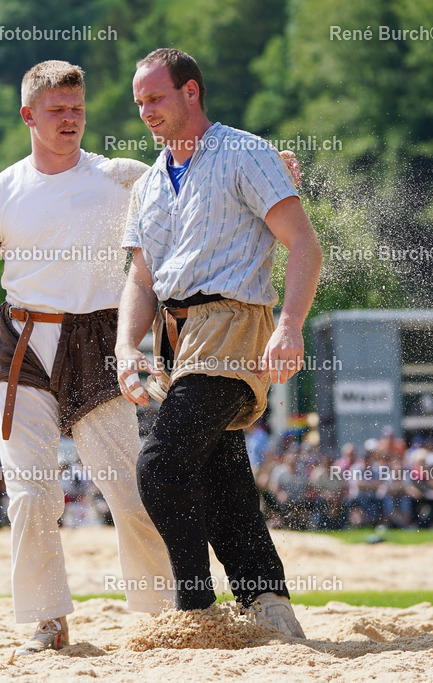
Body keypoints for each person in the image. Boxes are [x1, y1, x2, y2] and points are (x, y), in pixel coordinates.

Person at [0, 60, 177, 657]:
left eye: (77, 110)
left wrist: (271, 168)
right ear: (29, 115)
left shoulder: (120, 177)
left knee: (129, 491)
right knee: (30, 493)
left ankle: (161, 616)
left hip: (104, 345)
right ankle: (47, 620)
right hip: (26, 346)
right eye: (57, 111)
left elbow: (194, 175)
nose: (70, 120)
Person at [114, 48, 322, 638]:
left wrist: (289, 324)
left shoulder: (246, 153)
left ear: (191, 92)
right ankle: (268, 600)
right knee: (219, 470)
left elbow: (303, 244)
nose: (146, 111)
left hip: (233, 321)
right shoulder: (149, 183)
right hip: (172, 336)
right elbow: (141, 278)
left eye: (156, 98)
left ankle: (196, 608)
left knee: (160, 463)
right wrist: (129, 347)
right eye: (139, 103)